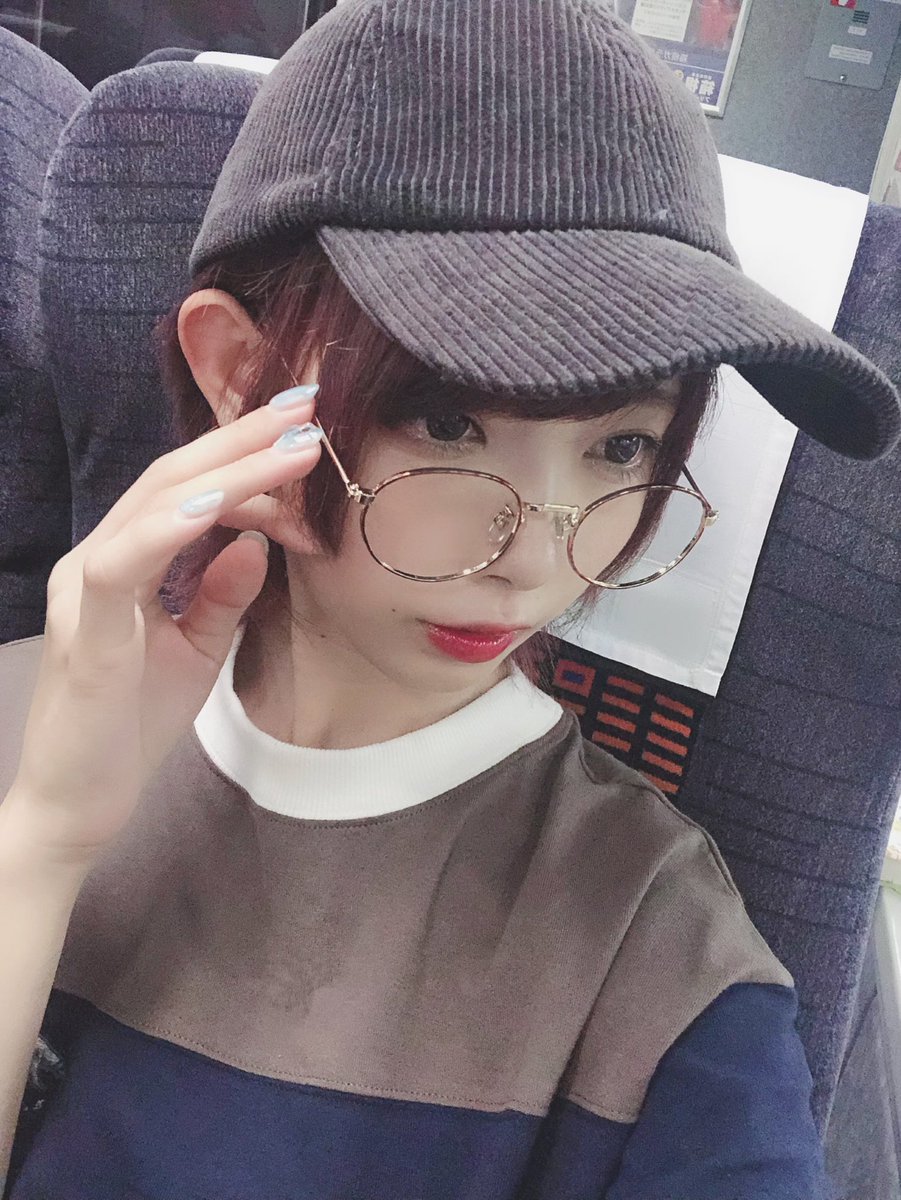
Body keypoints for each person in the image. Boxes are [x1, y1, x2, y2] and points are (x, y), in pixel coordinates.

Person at [1, 1, 899, 1197]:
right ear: (238, 373)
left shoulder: (654, 958)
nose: (533, 558)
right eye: (445, 421)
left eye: (622, 447)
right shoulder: (31, 718)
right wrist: (43, 842)